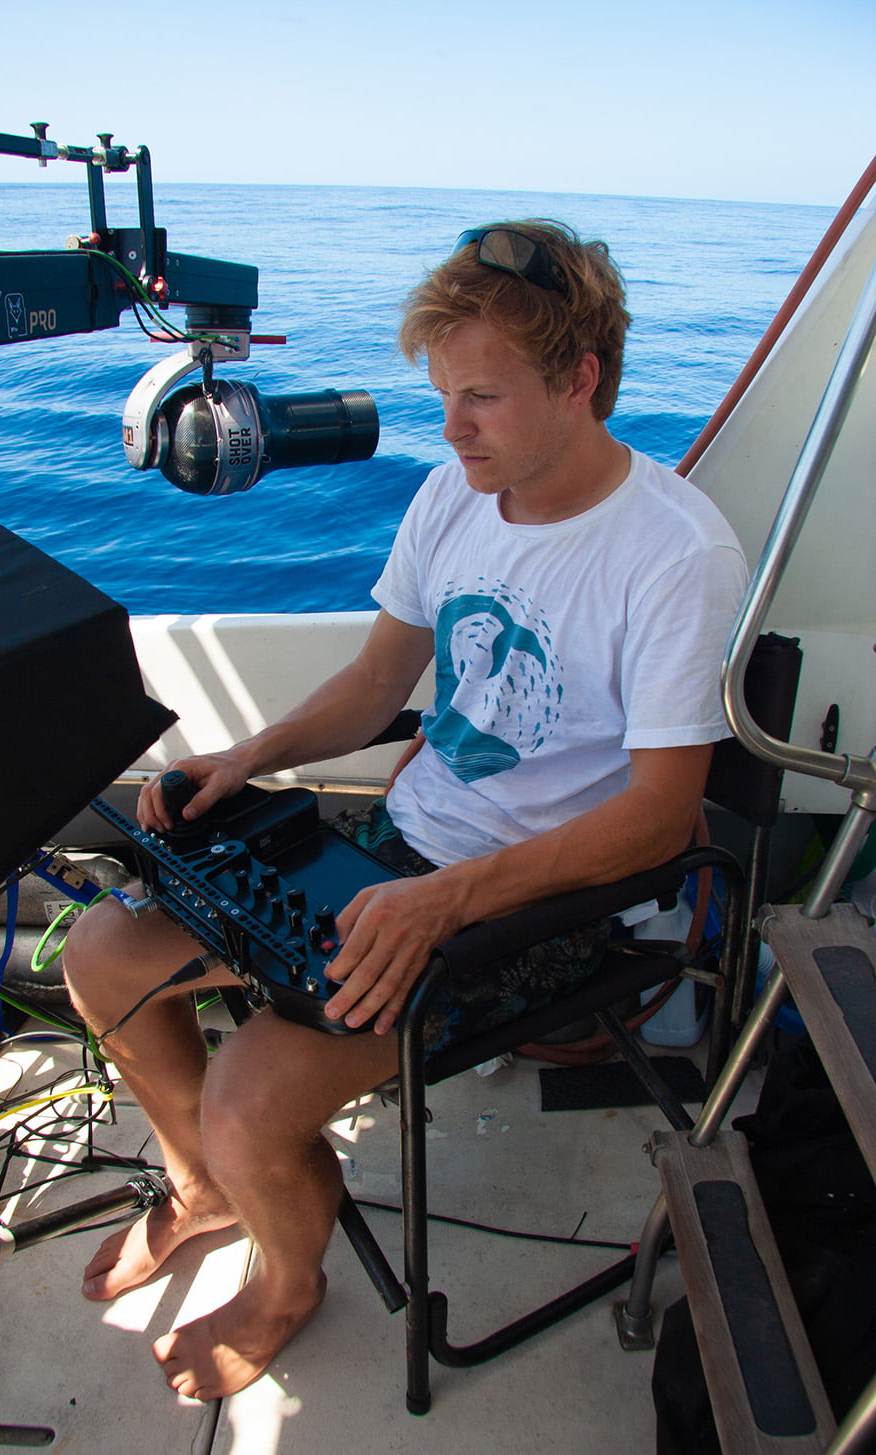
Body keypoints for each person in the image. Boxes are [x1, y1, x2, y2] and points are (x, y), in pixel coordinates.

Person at [62, 219, 748, 1402]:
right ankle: (205, 1190)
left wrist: (446, 901)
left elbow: (657, 818)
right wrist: (253, 756)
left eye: (480, 397)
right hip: (403, 848)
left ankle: (288, 1282)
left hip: (536, 901)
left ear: (579, 381)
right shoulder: (452, 496)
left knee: (249, 1095)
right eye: (442, 393)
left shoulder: (674, 553)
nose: (449, 427)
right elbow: (378, 686)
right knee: (103, 954)